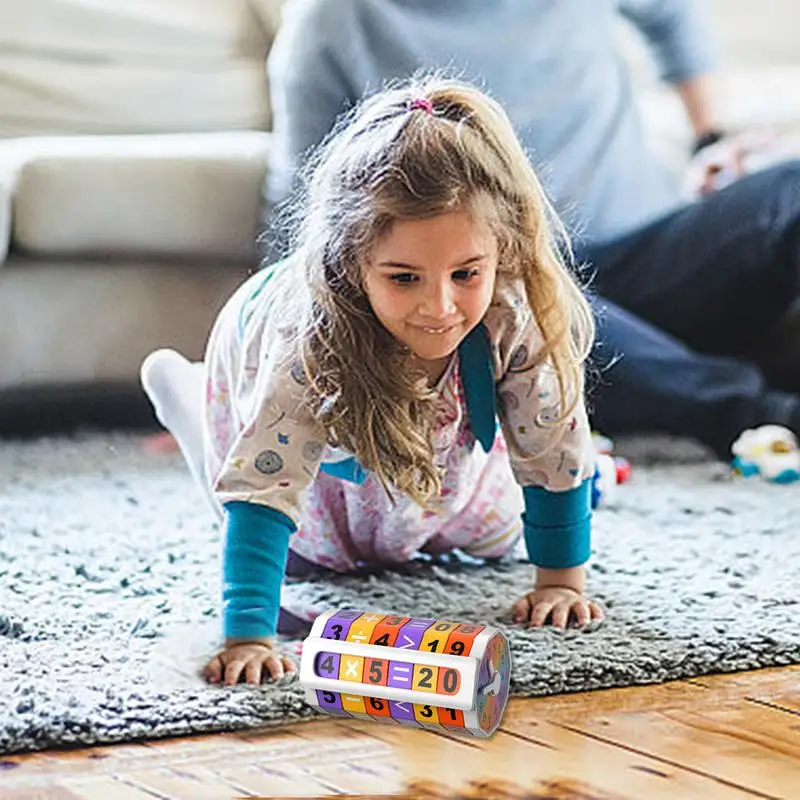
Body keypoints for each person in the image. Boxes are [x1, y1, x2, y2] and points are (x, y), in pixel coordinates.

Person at [141, 75, 604, 686]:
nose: (440, 307)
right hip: (305, 449)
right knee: (310, 561)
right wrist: (248, 634)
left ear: (502, 252)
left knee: (495, 535)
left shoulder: (509, 315)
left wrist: (560, 582)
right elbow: (264, 484)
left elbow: (553, 449)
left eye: (466, 273)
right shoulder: (311, 340)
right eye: (404, 277)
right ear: (352, 263)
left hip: (429, 454)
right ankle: (190, 398)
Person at [264, 0, 800, 461]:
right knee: (491, 301)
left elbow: (671, 14)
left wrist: (711, 137)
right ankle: (767, 416)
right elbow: (304, 215)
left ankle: (671, 376)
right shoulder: (332, 19)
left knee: (790, 189)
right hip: (501, 297)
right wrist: (267, 368)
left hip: (651, 253)